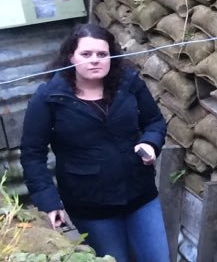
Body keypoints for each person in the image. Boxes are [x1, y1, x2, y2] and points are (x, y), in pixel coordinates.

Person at [20, 24, 170, 262]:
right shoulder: (49, 98)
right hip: (91, 206)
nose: (95, 60)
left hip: (141, 196)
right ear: (71, 56)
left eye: (102, 54)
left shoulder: (128, 84)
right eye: (86, 54)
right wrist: (49, 203)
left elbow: (154, 121)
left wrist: (151, 143)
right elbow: (32, 154)